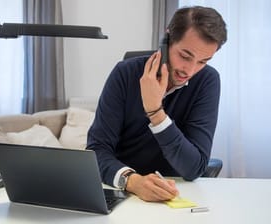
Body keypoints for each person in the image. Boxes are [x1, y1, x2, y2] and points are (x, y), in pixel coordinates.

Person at [87, 6, 227, 202]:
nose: (190, 70)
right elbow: (97, 150)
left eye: (202, 61)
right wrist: (133, 182)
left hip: (172, 193)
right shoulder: (125, 74)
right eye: (185, 56)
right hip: (123, 190)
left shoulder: (207, 81)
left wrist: (155, 112)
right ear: (167, 39)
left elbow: (194, 168)